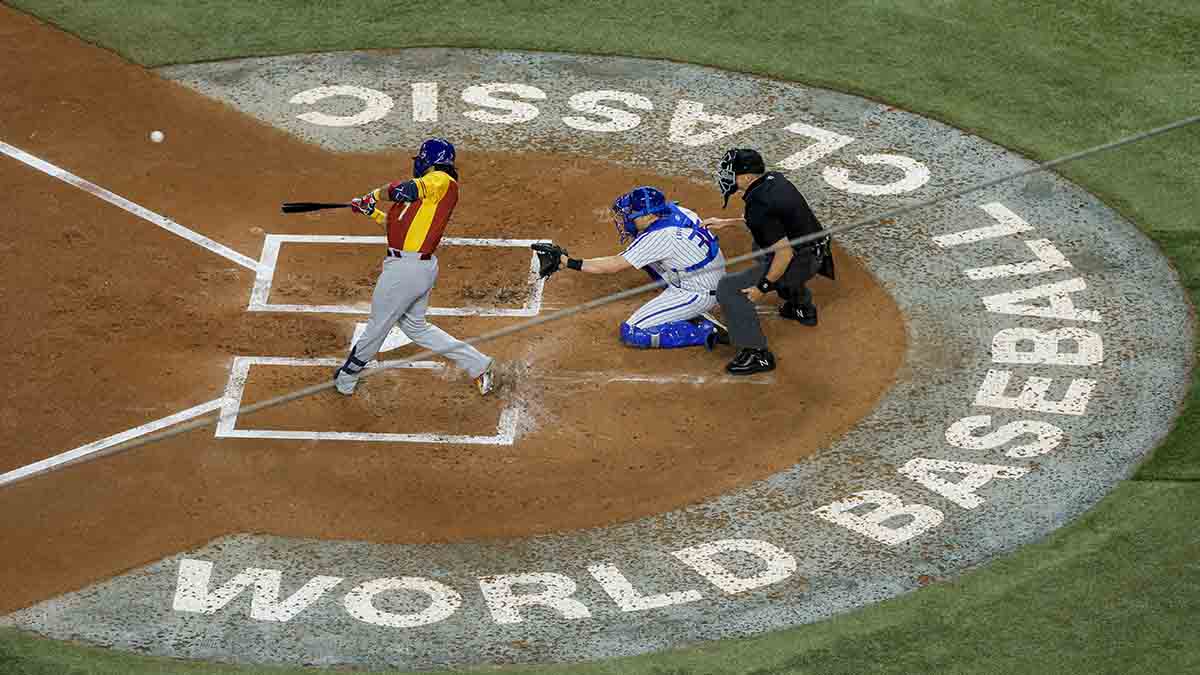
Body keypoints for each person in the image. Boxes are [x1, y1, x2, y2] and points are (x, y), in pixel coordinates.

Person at [333, 137, 495, 396]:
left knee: (378, 325)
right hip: (413, 266)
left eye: (421, 160)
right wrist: (370, 211)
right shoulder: (427, 196)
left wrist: (371, 195)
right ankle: (478, 364)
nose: (418, 164)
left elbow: (400, 190)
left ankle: (347, 377)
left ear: (431, 162)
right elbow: (397, 226)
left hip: (405, 271)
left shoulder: (440, 181)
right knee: (415, 327)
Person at [538, 186, 730, 349]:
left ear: (649, 216)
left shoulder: (658, 237)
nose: (627, 218)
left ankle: (705, 331)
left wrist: (568, 262)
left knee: (633, 332)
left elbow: (612, 266)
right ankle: (685, 306)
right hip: (710, 274)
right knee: (644, 257)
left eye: (632, 214)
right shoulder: (677, 212)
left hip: (698, 292)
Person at [702, 148, 835, 375]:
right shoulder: (773, 181)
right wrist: (726, 223)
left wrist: (762, 287)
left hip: (801, 260)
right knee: (760, 246)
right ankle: (800, 307)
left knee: (728, 288)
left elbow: (784, 254)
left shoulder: (759, 205)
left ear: (748, 177)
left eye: (732, 173)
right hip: (816, 250)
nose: (727, 177)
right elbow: (766, 221)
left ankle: (757, 353)